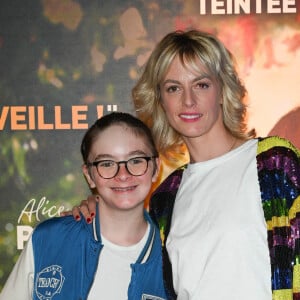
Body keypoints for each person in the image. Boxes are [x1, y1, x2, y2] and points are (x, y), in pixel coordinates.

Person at [71, 30, 300, 300]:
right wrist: (96, 212)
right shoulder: (166, 197)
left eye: (201, 85)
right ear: (160, 100)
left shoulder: (273, 162)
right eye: (173, 88)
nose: (188, 100)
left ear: (223, 90)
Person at [0, 112, 167, 300]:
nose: (122, 174)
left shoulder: (172, 256)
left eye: (135, 161)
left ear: (155, 168)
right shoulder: (48, 240)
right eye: (107, 163)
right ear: (89, 175)